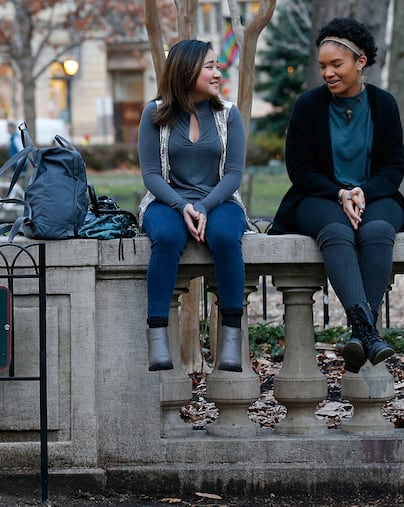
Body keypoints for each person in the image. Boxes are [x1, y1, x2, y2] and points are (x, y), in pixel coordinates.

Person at [271, 18, 404, 373]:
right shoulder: (308, 106)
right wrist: (339, 193)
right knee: (336, 232)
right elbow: (301, 169)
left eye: (336, 64)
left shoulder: (384, 104)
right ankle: (369, 331)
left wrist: (362, 192)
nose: (328, 73)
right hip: (317, 196)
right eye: (323, 66)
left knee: (378, 231)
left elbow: (394, 165)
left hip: (376, 195)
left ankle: (358, 332)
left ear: (360, 62)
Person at [137, 39, 249, 372]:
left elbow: (233, 174)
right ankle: (157, 333)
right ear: (187, 72)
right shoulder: (154, 113)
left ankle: (230, 334)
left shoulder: (228, 114)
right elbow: (151, 175)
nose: (218, 73)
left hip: (220, 200)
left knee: (227, 238)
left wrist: (203, 205)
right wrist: (181, 205)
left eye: (217, 66)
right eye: (210, 67)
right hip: (165, 200)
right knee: (168, 238)